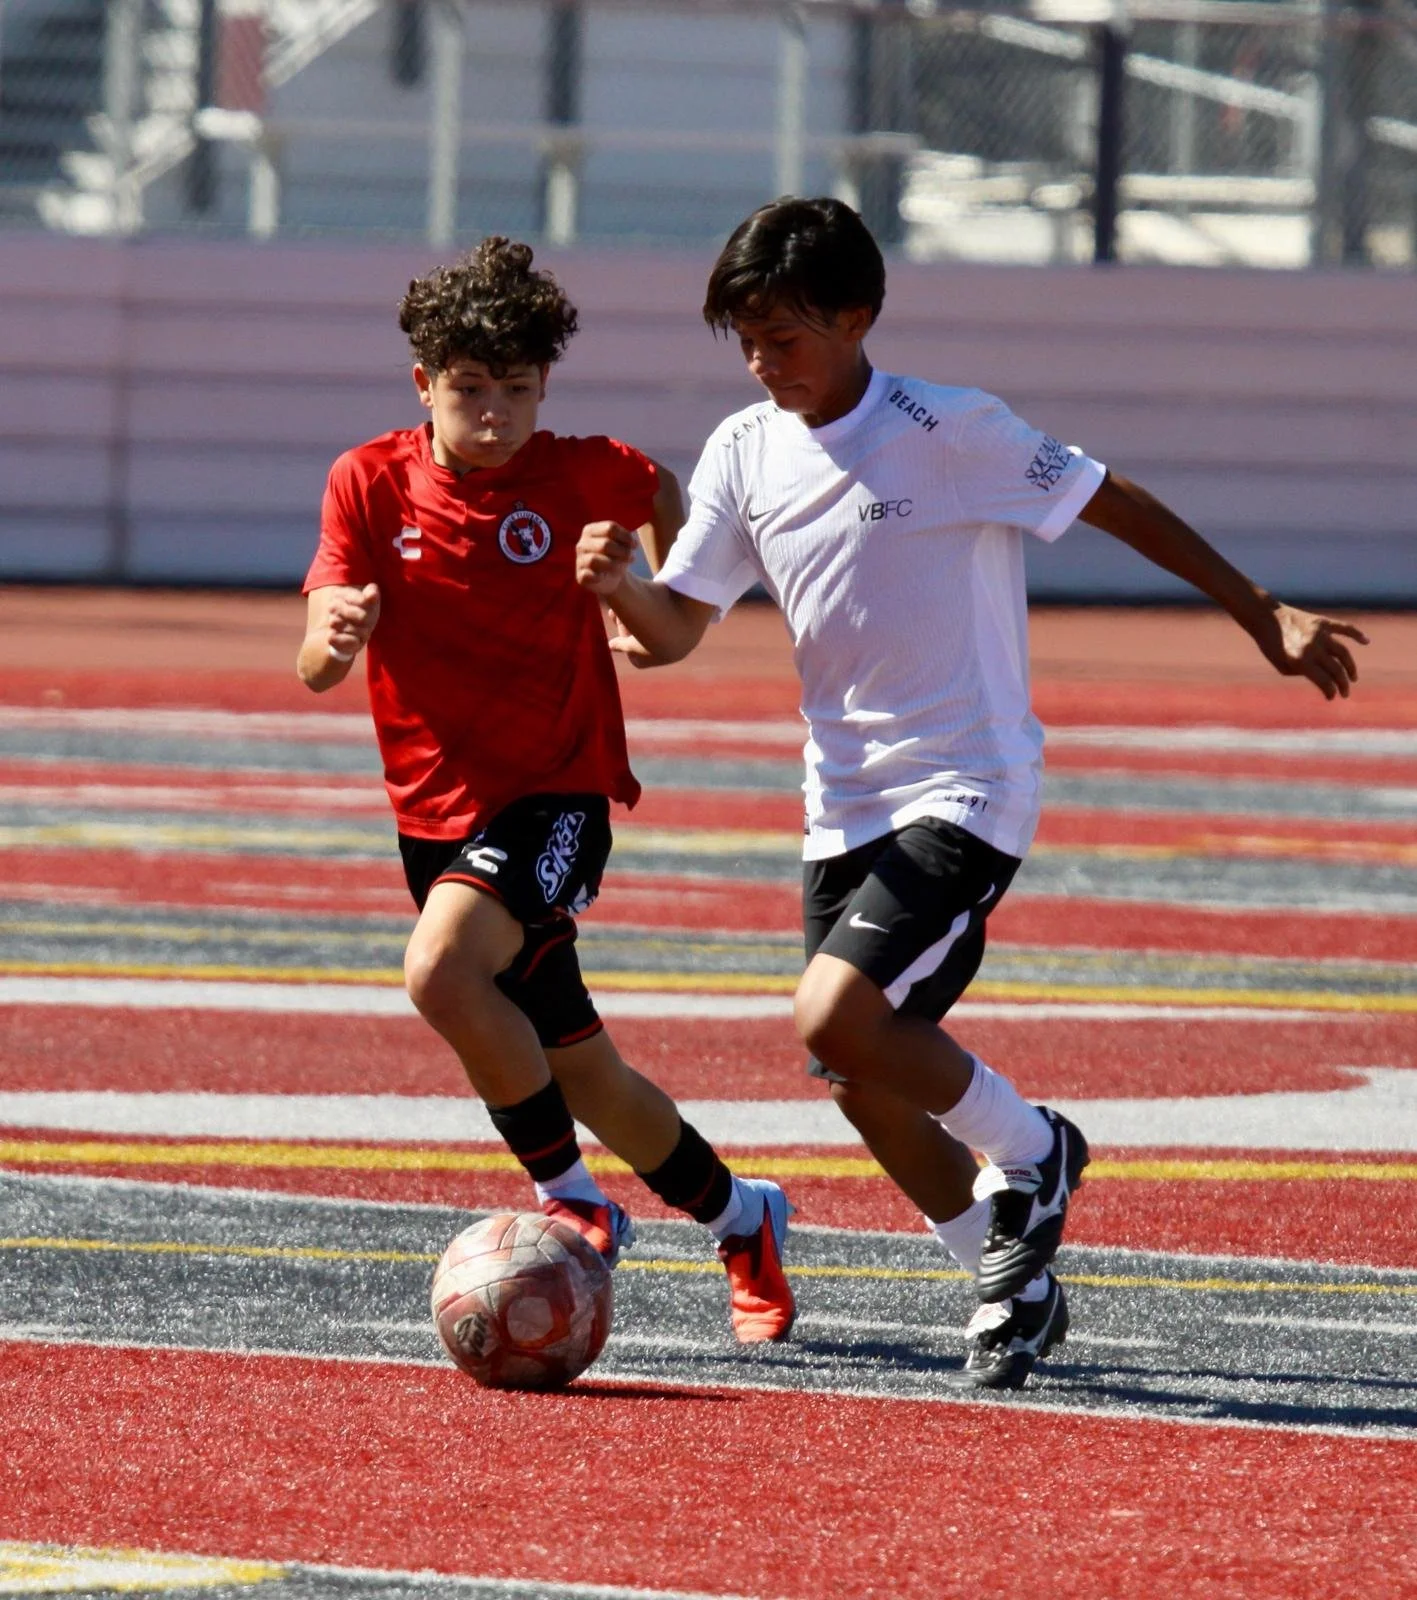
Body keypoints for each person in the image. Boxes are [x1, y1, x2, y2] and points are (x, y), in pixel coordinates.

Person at [575, 196, 1367, 1388]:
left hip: (968, 782)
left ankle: (1034, 1148)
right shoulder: (744, 447)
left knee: (830, 1014)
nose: (758, 361)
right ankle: (1014, 1286)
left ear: (856, 316)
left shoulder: (949, 428)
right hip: (840, 801)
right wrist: (624, 591)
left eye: (781, 337)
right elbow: (681, 625)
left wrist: (1263, 614)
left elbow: (1114, 500)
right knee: (860, 1076)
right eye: (742, 340)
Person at [297, 236, 795, 1344]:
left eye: (516, 390)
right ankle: (742, 1215)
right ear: (422, 385)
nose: (494, 414)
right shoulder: (366, 481)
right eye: (469, 390)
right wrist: (330, 640)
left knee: (439, 969)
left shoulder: (583, 472)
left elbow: (673, 495)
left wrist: (653, 597)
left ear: (543, 387)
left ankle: (571, 1200)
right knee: (584, 1068)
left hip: (557, 796)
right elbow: (313, 660)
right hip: (432, 811)